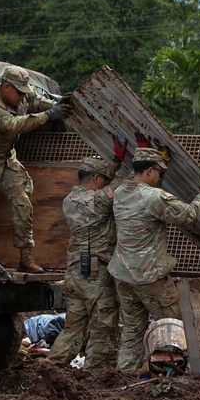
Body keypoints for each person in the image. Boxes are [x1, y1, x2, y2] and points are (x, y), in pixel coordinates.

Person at [107, 140, 200, 373]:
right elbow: (190, 214)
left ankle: (125, 374)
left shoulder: (120, 192)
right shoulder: (154, 197)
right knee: (175, 326)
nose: (161, 177)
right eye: (159, 172)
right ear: (149, 171)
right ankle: (175, 374)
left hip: (123, 275)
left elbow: (134, 178)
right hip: (149, 277)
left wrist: (160, 161)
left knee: (132, 330)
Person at [0, 64, 68, 273]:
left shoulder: (22, 96)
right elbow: (14, 125)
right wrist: (50, 114)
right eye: (19, 92)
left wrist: (58, 104)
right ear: (6, 87)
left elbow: (37, 102)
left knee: (22, 205)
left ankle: (26, 258)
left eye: (25, 92)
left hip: (5, 160)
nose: (23, 97)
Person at [46, 139, 128, 372]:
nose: (105, 185)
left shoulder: (70, 200)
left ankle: (50, 369)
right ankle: (95, 375)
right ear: (95, 179)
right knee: (103, 326)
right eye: (103, 181)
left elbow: (106, 186)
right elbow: (125, 188)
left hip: (74, 273)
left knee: (73, 327)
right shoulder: (98, 200)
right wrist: (140, 166)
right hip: (95, 274)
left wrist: (116, 162)